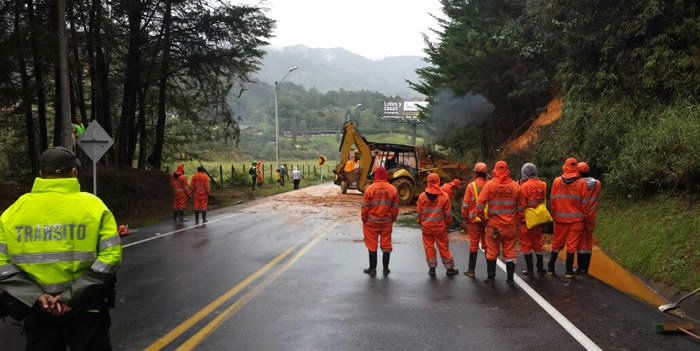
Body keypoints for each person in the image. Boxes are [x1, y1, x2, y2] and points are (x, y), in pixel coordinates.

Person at [0, 146, 122, 350]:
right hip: (87, 308)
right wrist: (70, 297)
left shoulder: (14, 211)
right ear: (73, 172)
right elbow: (111, 257)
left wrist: (37, 297)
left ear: (40, 174)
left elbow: (2, 265)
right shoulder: (94, 206)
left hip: (38, 311)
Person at [476, 160, 521, 286]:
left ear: (495, 170)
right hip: (510, 226)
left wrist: (483, 219)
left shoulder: (490, 185)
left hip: (493, 226)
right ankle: (510, 279)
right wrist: (518, 221)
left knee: (492, 251)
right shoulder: (515, 186)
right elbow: (521, 206)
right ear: (507, 171)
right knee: (510, 252)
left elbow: (480, 204)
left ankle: (491, 278)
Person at [548, 157, 588, 278]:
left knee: (556, 243)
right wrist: (584, 216)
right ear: (576, 168)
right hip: (576, 220)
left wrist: (555, 215)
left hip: (560, 219)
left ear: (565, 166)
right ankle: (568, 271)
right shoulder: (581, 183)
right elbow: (585, 203)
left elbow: (553, 201)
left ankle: (550, 268)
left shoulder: (556, 181)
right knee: (572, 245)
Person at [417, 173, 458, 277]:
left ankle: (432, 268)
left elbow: (419, 213)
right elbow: (448, 214)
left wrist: (420, 222)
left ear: (428, 181)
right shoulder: (444, 197)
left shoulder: (422, 197)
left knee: (429, 248)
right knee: (443, 247)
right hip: (440, 228)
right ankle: (449, 269)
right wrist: (448, 223)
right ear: (438, 181)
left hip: (427, 228)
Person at [361, 167, 399, 276]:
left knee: (372, 245)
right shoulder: (393, 189)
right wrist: (393, 218)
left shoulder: (369, 189)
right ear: (386, 175)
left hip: (371, 223)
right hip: (386, 223)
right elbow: (395, 208)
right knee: (386, 244)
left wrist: (364, 218)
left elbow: (365, 207)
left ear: (376, 175)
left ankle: (372, 269)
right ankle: (385, 268)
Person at [518, 163, 548, 275]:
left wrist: (519, 219)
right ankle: (540, 268)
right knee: (538, 243)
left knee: (526, 244)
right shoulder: (543, 184)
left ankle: (530, 270)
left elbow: (521, 205)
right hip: (538, 219)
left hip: (526, 220)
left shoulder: (523, 187)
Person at [462, 162, 489, 277]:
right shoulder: (491, 184)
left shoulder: (471, 186)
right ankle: (490, 274)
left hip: (474, 219)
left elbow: (466, 204)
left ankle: (471, 270)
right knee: (487, 245)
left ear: (476, 173)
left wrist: (465, 217)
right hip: (487, 218)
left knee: (474, 244)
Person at [576, 161, 601, 274]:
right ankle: (586, 268)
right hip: (592, 216)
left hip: (581, 215)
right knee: (588, 241)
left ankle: (580, 267)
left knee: (581, 242)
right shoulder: (597, 183)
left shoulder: (578, 184)